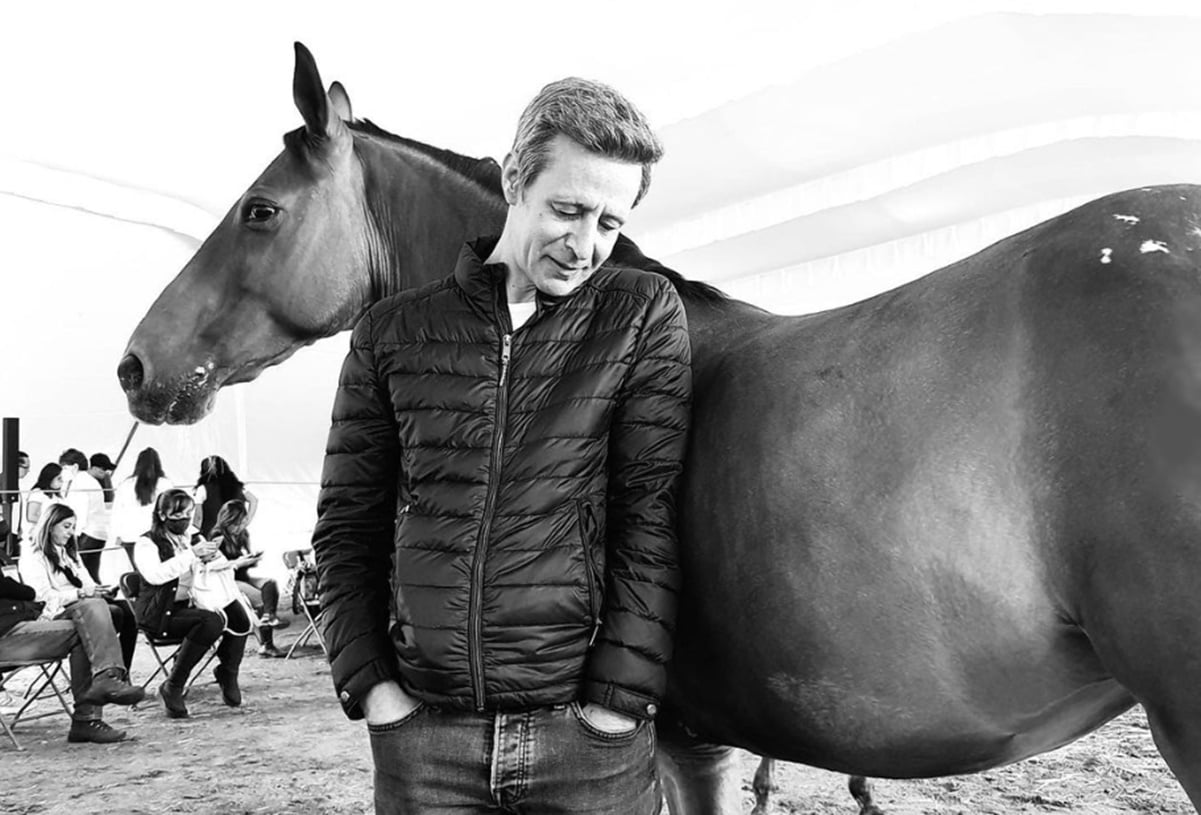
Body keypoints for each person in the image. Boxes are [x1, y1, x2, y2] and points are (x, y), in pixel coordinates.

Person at [311, 77, 691, 813]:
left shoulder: (639, 313)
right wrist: (373, 688)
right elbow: (345, 525)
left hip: (584, 739)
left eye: (609, 223)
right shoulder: (392, 330)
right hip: (426, 737)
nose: (584, 246)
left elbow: (648, 514)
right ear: (515, 178)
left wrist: (617, 700)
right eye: (568, 210)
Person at [13, 503, 145, 742]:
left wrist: (96, 590)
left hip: (79, 612)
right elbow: (42, 597)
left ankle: (109, 679)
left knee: (119, 611)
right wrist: (81, 595)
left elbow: (85, 583)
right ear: (49, 525)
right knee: (93, 614)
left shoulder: (69, 553)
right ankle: (105, 681)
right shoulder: (33, 555)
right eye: (65, 526)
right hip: (53, 614)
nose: (70, 532)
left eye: (73, 527)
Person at [132, 489, 248, 717]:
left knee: (239, 616)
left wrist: (218, 559)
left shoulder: (193, 536)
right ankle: (173, 685)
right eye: (177, 515)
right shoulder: (146, 543)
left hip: (191, 604)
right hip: (159, 613)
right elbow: (156, 575)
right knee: (211, 622)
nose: (184, 519)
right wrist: (192, 555)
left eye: (188, 513)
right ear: (162, 515)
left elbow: (215, 564)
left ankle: (228, 671)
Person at [210, 498, 287, 658]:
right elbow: (214, 566)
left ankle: (269, 616)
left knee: (270, 583)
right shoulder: (217, 537)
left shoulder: (241, 534)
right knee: (259, 598)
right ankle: (267, 643)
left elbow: (241, 559)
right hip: (227, 579)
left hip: (242, 574)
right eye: (237, 523)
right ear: (227, 520)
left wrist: (251, 559)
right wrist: (241, 561)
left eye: (242, 522)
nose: (240, 527)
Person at [110, 447, 172, 564]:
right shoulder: (165, 484)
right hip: (156, 536)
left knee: (137, 572)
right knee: (158, 572)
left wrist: (117, 534)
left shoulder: (125, 484)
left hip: (130, 536)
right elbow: (171, 510)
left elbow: (117, 511)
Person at [73, 452, 117, 583]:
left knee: (83, 571)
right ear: (94, 468)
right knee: (91, 570)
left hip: (88, 532)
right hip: (95, 532)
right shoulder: (91, 483)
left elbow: (80, 510)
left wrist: (75, 532)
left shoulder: (84, 482)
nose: (106, 472)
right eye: (104, 468)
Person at [192, 455, 258, 538]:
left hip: (211, 536)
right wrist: (246, 521)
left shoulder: (203, 489)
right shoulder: (237, 487)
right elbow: (253, 500)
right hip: (235, 535)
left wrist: (195, 536)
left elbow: (198, 517)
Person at [25, 462, 65, 532]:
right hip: (39, 533)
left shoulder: (56, 495)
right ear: (50, 478)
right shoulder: (38, 493)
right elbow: (31, 516)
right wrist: (51, 522)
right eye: (59, 478)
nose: (62, 481)